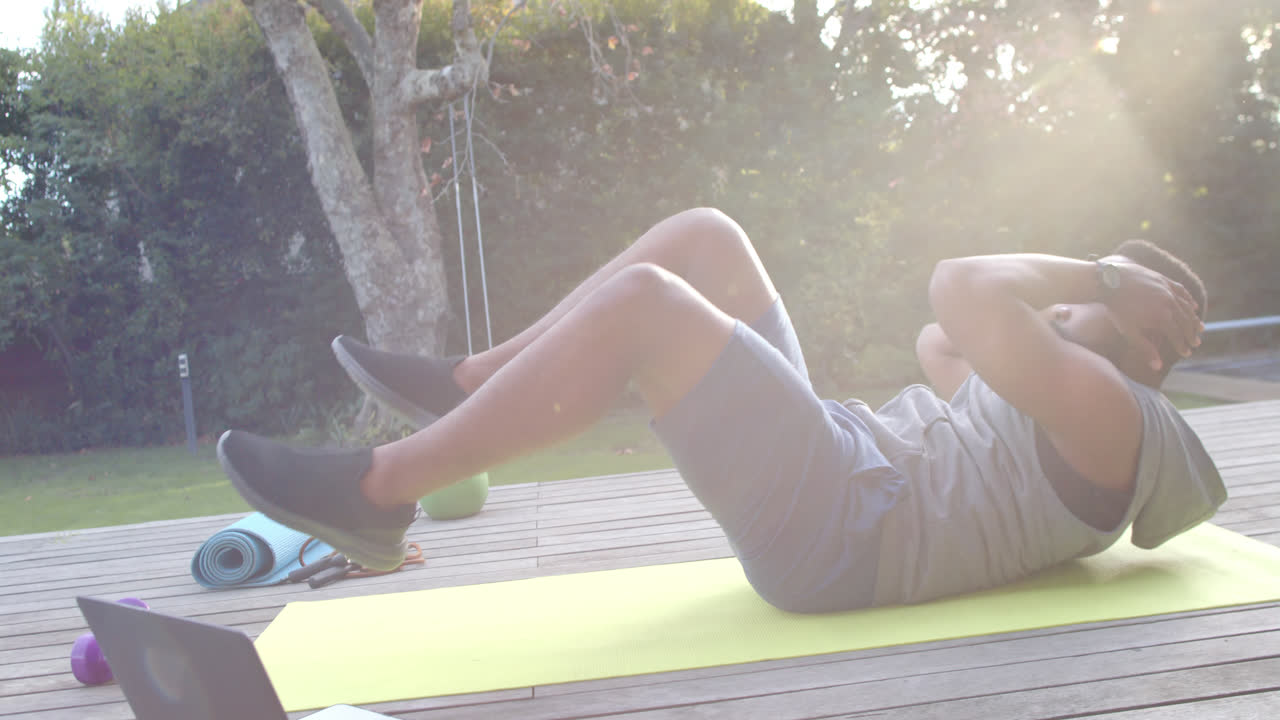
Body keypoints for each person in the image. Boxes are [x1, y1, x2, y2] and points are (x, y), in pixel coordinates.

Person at [217, 208, 1225, 612]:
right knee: (704, 239)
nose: (1059, 302)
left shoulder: (1113, 414)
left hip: (843, 531)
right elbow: (944, 345)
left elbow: (957, 288)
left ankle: (378, 494)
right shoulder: (1052, 400)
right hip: (842, 468)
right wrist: (1084, 297)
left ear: (1141, 346)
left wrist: (1100, 276)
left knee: (647, 311)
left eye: (1092, 302)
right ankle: (473, 381)